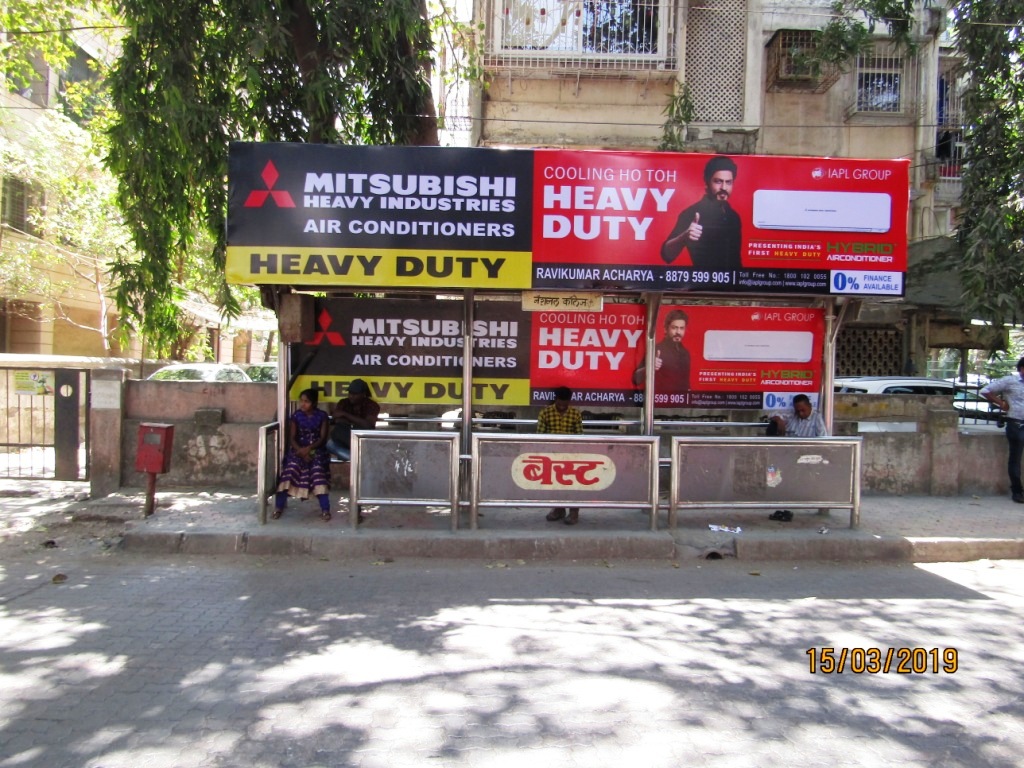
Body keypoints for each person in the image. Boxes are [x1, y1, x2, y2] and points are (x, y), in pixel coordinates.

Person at [660, 155, 741, 272]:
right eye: (718, 181)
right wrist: (684, 237)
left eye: (728, 182)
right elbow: (666, 254)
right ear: (707, 182)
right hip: (704, 287)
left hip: (733, 287)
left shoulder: (733, 216)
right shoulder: (692, 213)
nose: (724, 187)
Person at [273, 388, 332, 521]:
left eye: (306, 401)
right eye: (301, 401)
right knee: (290, 470)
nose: (303, 404)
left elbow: (322, 438)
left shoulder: (322, 416)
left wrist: (309, 449)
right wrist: (301, 450)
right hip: (298, 450)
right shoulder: (296, 416)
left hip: (316, 450)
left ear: (314, 403)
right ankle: (278, 507)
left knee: (318, 473)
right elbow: (292, 438)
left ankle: (325, 509)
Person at [537, 385, 584, 526]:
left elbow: (580, 436)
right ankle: (558, 509)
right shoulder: (545, 413)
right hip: (552, 455)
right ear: (555, 400)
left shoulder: (576, 414)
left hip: (572, 455)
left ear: (569, 401)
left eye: (565, 404)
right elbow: (540, 436)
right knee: (554, 483)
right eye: (559, 403)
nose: (562, 407)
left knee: (574, 483)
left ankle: (574, 511)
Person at [980, 357, 1024, 503]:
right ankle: (1017, 492)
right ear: (1021, 369)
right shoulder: (1010, 381)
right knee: (1015, 458)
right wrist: (1001, 403)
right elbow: (985, 391)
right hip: (1015, 424)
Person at [632, 308, 691, 395]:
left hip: (679, 406)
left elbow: (685, 384)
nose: (678, 332)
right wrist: (650, 367)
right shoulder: (655, 349)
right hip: (658, 404)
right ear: (666, 329)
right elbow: (635, 378)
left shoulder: (685, 353)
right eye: (674, 328)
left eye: (681, 328)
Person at [326, 378, 380, 461]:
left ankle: (355, 460)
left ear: (363, 394)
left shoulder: (371, 405)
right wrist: (357, 423)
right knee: (330, 445)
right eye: (350, 393)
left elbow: (368, 425)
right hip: (343, 439)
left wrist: (345, 415)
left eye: (355, 394)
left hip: (362, 441)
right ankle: (359, 460)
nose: (351, 396)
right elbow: (337, 420)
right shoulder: (343, 402)